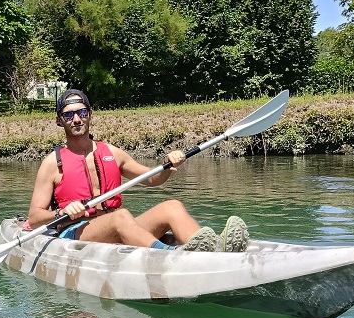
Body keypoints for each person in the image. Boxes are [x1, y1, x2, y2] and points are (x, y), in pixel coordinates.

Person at [26, 89, 249, 252]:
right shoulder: (52, 163)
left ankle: (212, 250)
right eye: (68, 115)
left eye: (81, 112)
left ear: (89, 114)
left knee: (172, 207)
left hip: (118, 228)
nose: (76, 119)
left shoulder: (112, 152)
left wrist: (169, 163)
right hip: (77, 235)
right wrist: (62, 212)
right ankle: (169, 254)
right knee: (121, 216)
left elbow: (152, 179)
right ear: (59, 121)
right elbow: (35, 218)